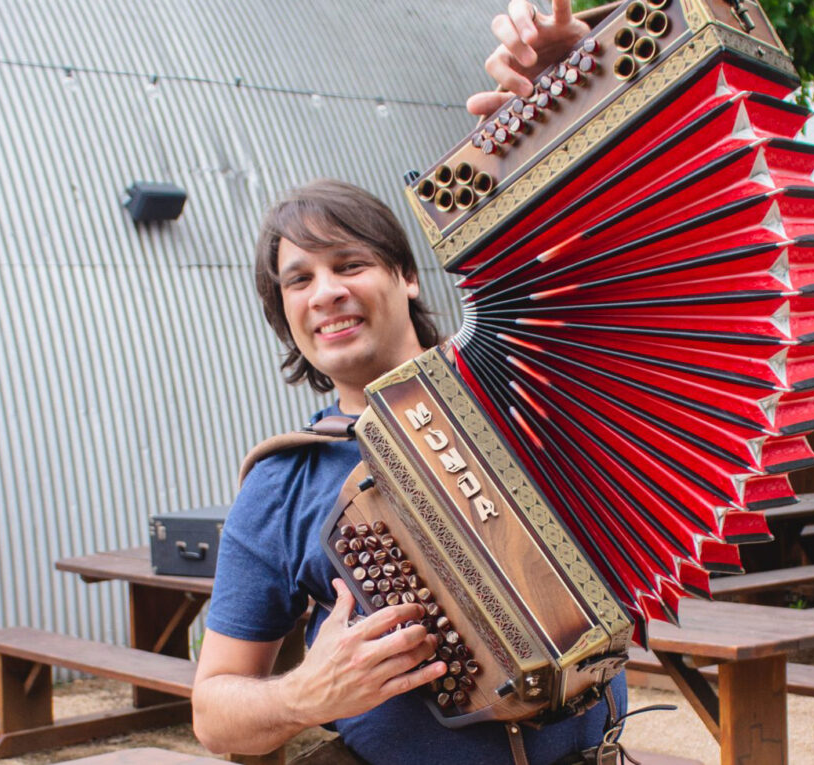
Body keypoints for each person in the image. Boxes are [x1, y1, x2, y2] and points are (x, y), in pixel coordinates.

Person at [191, 3, 625, 764]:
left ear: (405, 277)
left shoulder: (528, 383)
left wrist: (576, 90)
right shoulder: (284, 479)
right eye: (298, 281)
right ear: (284, 316)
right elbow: (214, 710)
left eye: (349, 263)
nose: (325, 291)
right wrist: (302, 695)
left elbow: (607, 263)